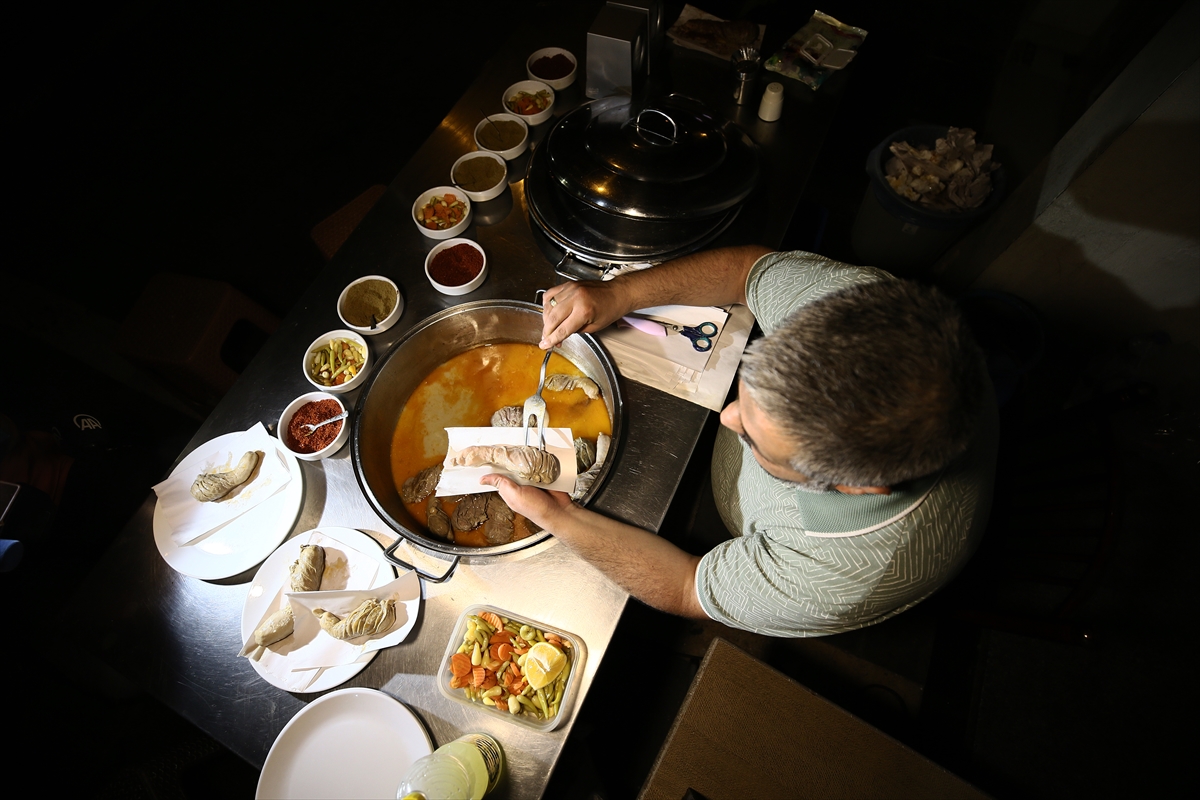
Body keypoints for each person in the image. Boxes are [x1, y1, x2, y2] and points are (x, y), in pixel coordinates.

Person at [481, 246, 998, 636]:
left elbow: (687, 585)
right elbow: (746, 271)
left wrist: (558, 518)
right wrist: (622, 293)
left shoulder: (832, 577)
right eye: (748, 391)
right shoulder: (861, 310)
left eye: (758, 441)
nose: (726, 417)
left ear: (859, 488)